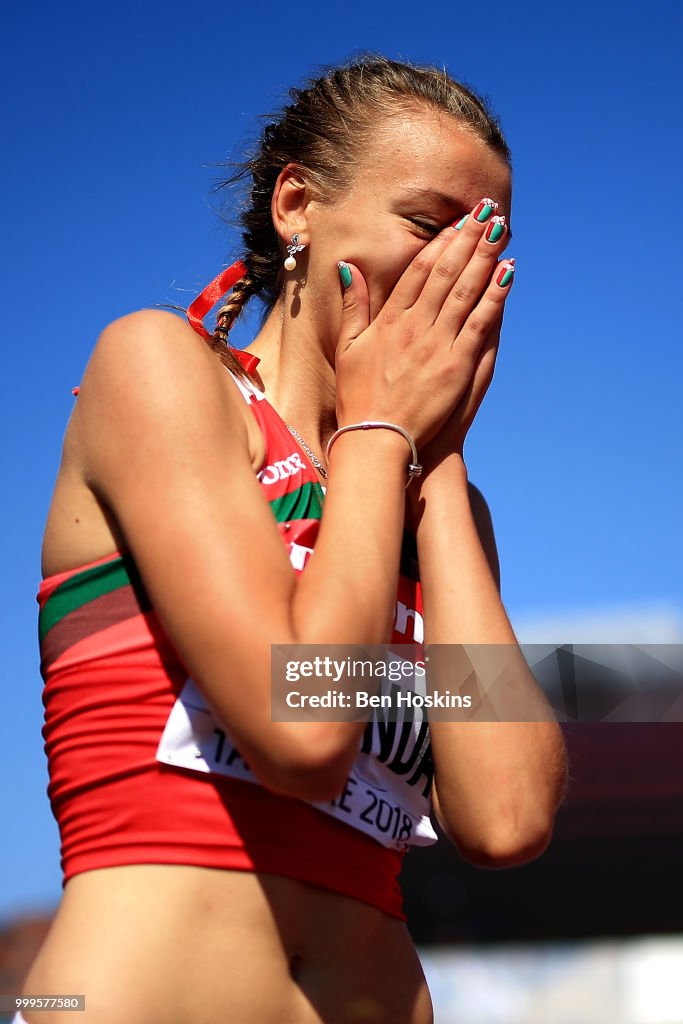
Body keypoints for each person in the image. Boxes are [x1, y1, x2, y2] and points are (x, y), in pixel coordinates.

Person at [22, 56, 567, 1024]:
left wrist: (434, 465)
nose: (459, 269)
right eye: (430, 224)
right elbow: (301, 727)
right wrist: (379, 430)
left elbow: (505, 815)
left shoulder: (442, 508)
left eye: (489, 246)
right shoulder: (162, 370)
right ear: (296, 206)